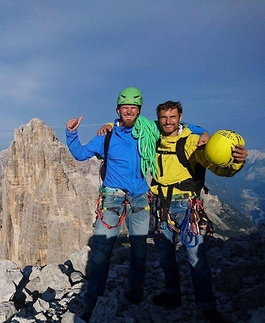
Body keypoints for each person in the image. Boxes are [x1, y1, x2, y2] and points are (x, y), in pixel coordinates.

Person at [65, 87, 207, 321]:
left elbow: (182, 128)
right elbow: (81, 154)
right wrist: (71, 134)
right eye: (125, 107)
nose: (129, 111)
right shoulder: (107, 135)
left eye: (134, 108)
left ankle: (135, 293)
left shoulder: (148, 130)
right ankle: (91, 301)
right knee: (100, 253)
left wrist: (204, 135)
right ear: (118, 110)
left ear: (139, 111)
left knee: (139, 252)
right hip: (112, 199)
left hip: (141, 199)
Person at [149, 100, 247, 322]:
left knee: (196, 257)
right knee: (166, 257)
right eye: (164, 117)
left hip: (186, 206)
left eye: (172, 117)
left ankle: (207, 307)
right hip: (160, 206)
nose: (168, 121)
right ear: (159, 119)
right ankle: (172, 294)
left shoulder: (194, 142)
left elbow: (218, 167)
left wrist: (235, 162)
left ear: (180, 117)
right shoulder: (152, 140)